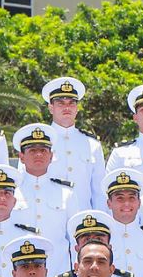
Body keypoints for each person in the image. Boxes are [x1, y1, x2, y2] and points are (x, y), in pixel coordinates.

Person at [12, 124, 80, 254]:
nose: (38, 154)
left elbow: (74, 237)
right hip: (20, 268)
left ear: (51, 156)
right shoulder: (11, 192)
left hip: (58, 267)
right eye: (32, 150)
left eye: (43, 150)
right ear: (21, 157)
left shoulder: (66, 194)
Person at [41, 76, 105, 213]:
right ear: (51, 108)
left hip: (84, 220)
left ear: (77, 108)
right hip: (49, 217)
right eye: (60, 103)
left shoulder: (92, 144)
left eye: (71, 103)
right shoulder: (39, 142)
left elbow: (99, 192)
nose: (67, 108)